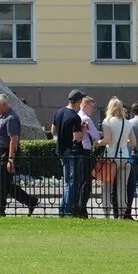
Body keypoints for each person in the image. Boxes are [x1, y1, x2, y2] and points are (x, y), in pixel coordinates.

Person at [0, 94, 38, 217]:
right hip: (2, 154)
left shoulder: (11, 118)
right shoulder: (3, 116)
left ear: (4, 105)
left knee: (2, 183)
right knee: (5, 184)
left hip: (7, 154)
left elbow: (14, 139)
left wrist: (10, 159)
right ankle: (30, 201)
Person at [51, 90, 85, 218]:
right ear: (79, 101)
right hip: (72, 152)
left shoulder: (59, 112)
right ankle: (68, 210)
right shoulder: (75, 117)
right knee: (71, 182)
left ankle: (63, 209)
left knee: (66, 182)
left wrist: (61, 136)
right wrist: (84, 130)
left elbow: (53, 130)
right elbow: (77, 138)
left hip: (61, 150)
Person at [100, 97, 134, 219]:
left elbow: (107, 140)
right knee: (122, 189)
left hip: (111, 158)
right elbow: (133, 142)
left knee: (107, 188)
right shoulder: (127, 122)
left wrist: (97, 142)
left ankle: (107, 215)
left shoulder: (107, 121)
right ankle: (121, 215)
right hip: (125, 157)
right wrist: (124, 142)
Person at [78, 95, 101, 216]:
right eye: (92, 107)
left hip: (79, 152)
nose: (93, 109)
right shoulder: (86, 118)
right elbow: (96, 136)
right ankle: (82, 209)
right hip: (86, 152)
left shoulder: (78, 116)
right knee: (86, 183)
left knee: (80, 181)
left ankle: (79, 207)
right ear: (85, 105)